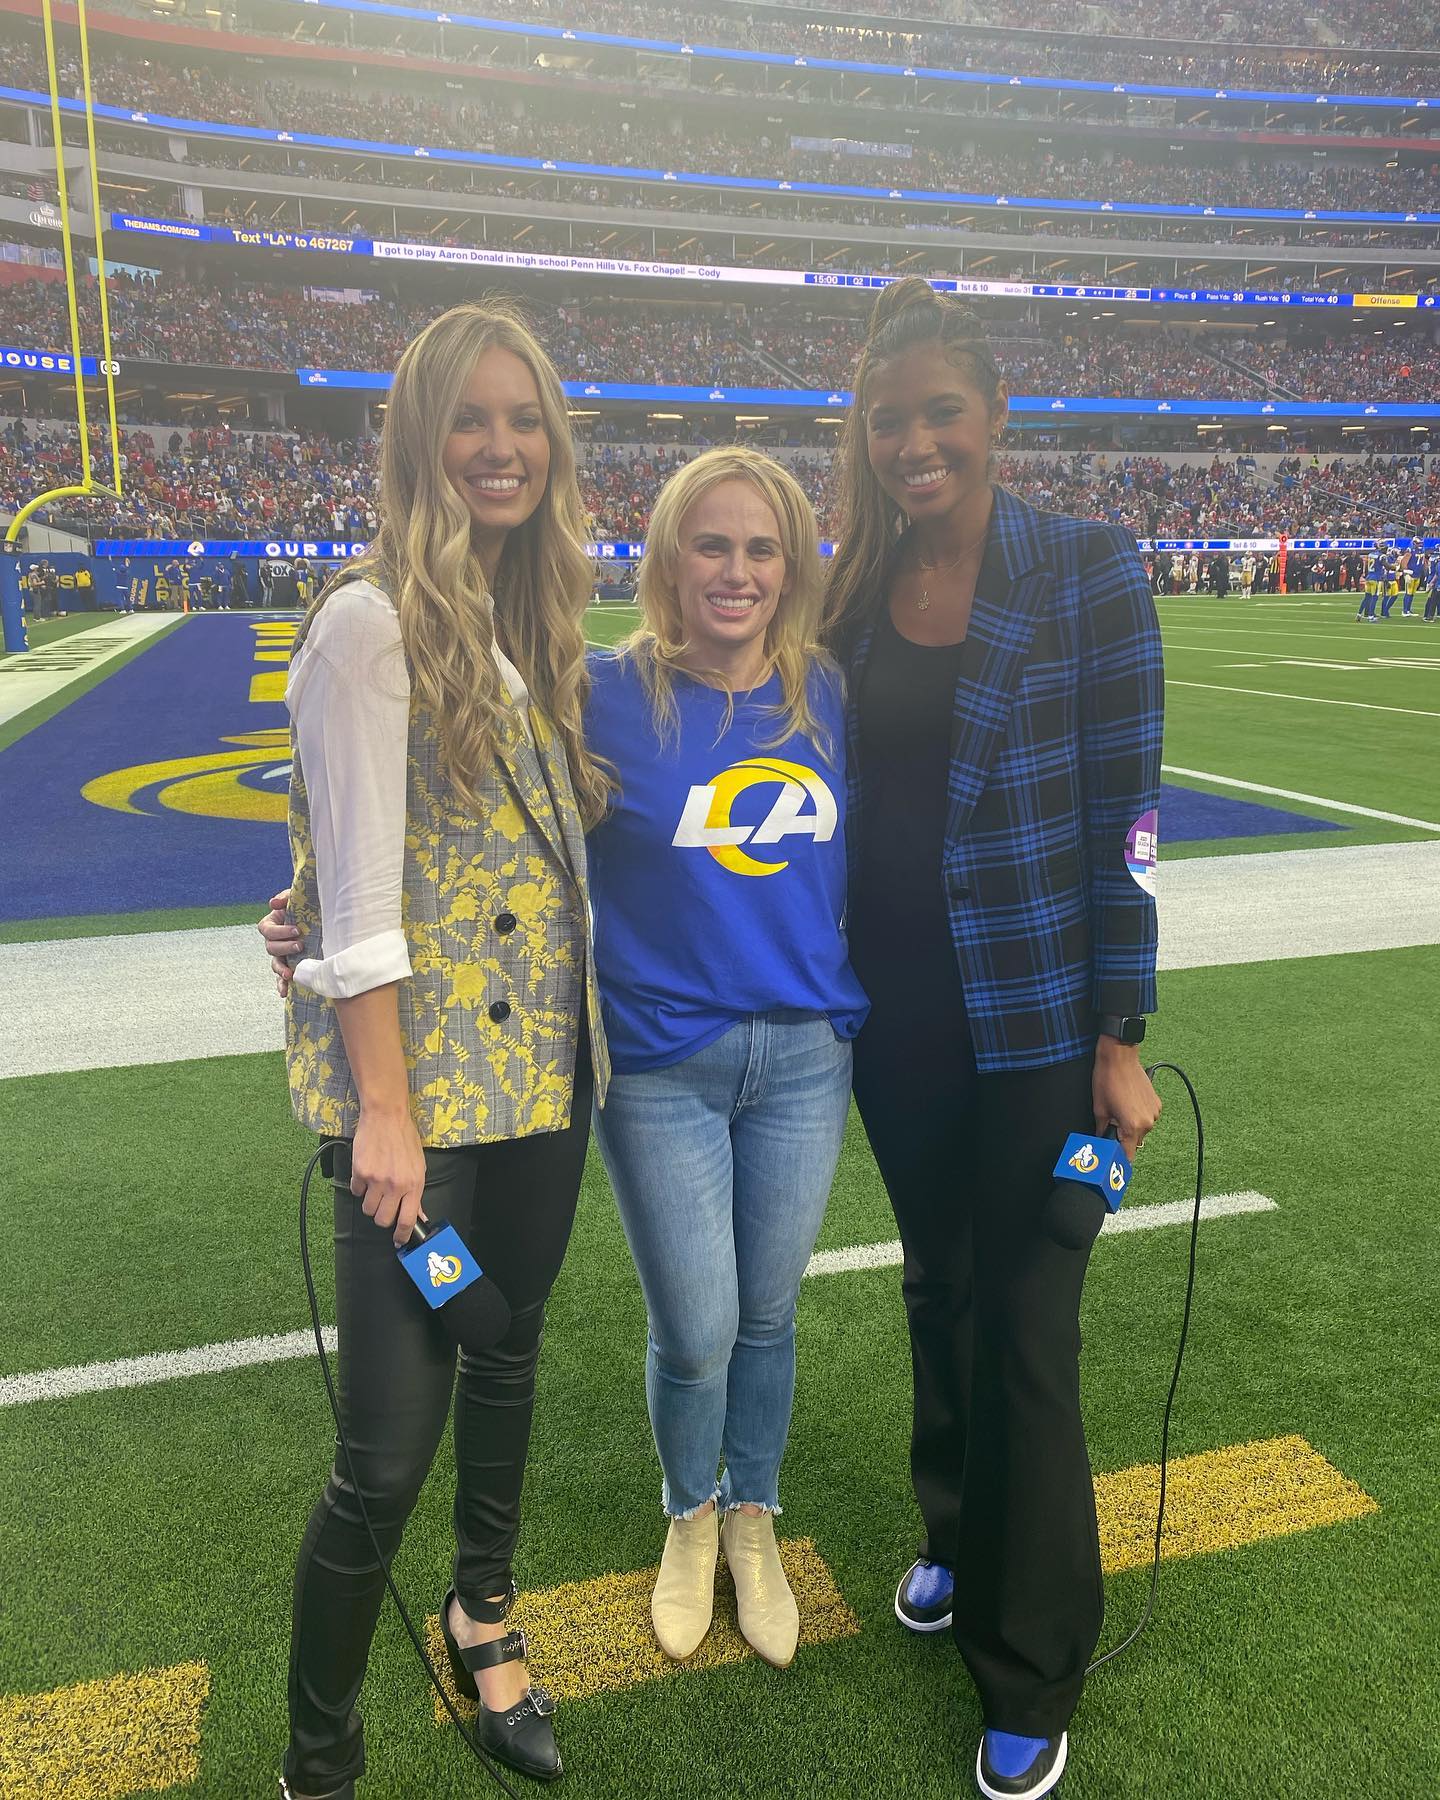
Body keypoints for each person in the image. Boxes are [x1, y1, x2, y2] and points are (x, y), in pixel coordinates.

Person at [824, 278, 1163, 1800]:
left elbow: (1131, 816)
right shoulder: (850, 588)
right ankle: (956, 1531)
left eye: (939, 414)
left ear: (997, 415)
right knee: (939, 1286)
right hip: (892, 1021)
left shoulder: (1088, 568)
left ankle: (1035, 1659)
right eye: (889, 421)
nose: (916, 444)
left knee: (1027, 1326)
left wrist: (1122, 1027)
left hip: (1034, 1018)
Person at [268, 300, 609, 1800]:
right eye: (469, 419)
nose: (500, 446)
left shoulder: (528, 620)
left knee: (513, 1357)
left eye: (524, 419)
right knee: (385, 1459)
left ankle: (485, 1615)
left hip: (545, 1087)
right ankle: (319, 1757)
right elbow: (354, 909)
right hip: (422, 1117)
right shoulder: (369, 620)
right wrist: (380, 1117)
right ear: (416, 437)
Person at [584, 446, 867, 1669]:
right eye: (713, 544)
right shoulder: (600, 693)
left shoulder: (830, 697)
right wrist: (313, 898)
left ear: (793, 565)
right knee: (695, 1325)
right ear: (666, 559)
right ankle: (688, 1512)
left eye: (762, 549)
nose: (738, 571)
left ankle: (755, 1512)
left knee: (768, 1314)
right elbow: (473, 817)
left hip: (805, 1058)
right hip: (658, 1065)